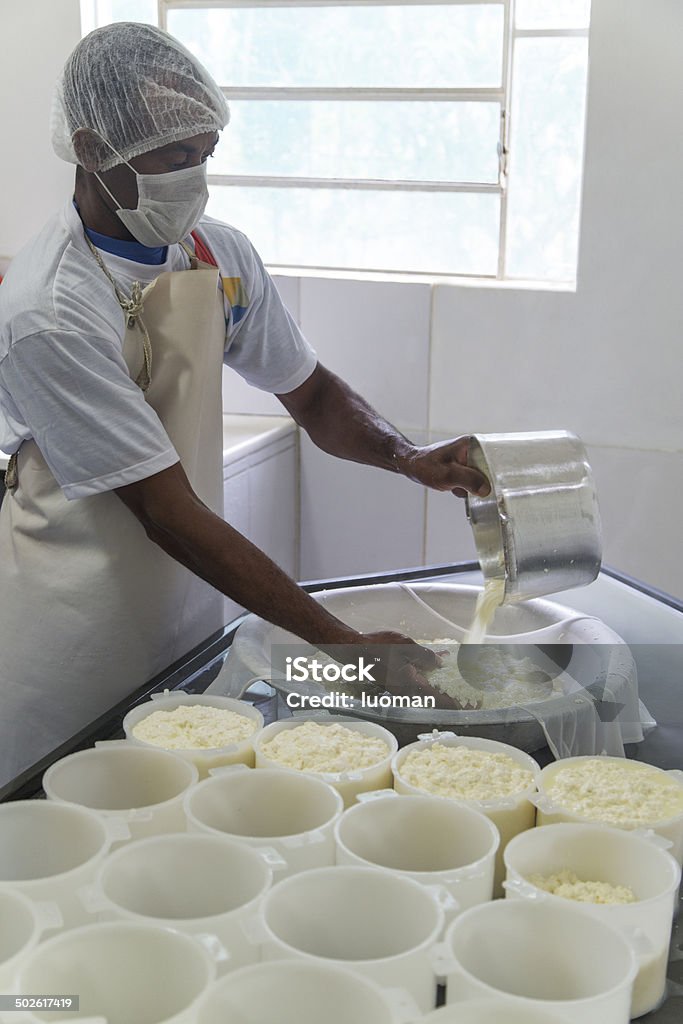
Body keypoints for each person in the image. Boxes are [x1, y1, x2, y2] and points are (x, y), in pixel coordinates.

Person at [0, 23, 488, 787]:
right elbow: (163, 510)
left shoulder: (217, 257)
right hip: (76, 644)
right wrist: (339, 645)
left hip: (185, 611)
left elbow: (313, 392)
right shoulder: (51, 309)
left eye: (204, 157)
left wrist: (404, 456)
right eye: (172, 159)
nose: (193, 182)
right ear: (93, 150)